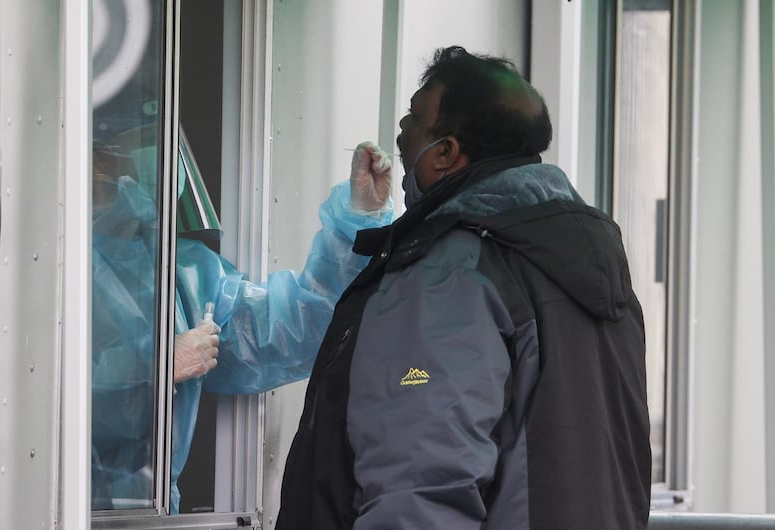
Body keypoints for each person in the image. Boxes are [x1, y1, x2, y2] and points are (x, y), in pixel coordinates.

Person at [276, 46, 651, 529]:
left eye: (413, 116)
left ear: (446, 153)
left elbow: (419, 490)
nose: (401, 133)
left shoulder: (450, 271)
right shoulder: (579, 262)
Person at [90, 138, 394, 512]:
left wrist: (357, 223)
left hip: (149, 514)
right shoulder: (37, 258)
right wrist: (156, 365)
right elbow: (32, 401)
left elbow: (289, 329)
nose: (139, 162)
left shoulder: (178, 268)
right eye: (111, 148)